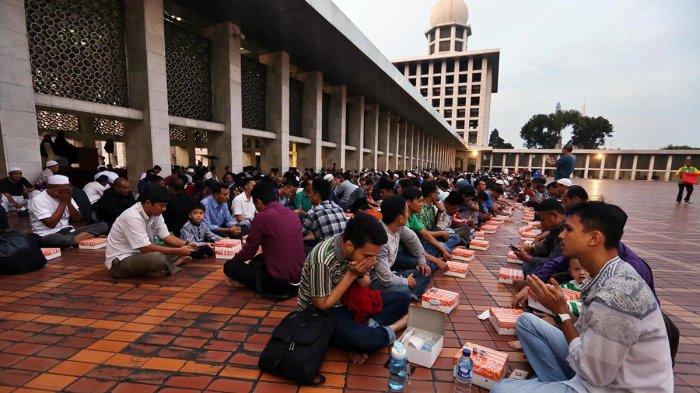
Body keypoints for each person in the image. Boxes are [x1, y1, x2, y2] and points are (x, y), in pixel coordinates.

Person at [492, 201, 672, 392]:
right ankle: (553, 382)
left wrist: (561, 312)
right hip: (595, 364)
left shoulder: (616, 295)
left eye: (569, 229)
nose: (561, 235)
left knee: (501, 389)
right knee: (527, 322)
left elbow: (595, 376)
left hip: (607, 385)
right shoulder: (612, 269)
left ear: (594, 238)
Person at [296, 213, 410, 362]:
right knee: (366, 342)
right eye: (367, 256)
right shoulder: (322, 258)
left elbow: (365, 284)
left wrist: (359, 273)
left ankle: (364, 328)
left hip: (348, 300)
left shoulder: (356, 250)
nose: (372, 260)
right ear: (349, 245)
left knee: (403, 298)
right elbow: (322, 305)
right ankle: (393, 327)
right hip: (321, 313)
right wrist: (351, 274)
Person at [224, 181, 305, 298]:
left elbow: (249, 251)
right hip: (299, 280)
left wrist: (235, 260)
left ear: (259, 202)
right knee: (259, 259)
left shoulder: (261, 217)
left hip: (279, 285)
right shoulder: (292, 214)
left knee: (230, 266)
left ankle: (247, 283)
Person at [105, 185, 196, 278]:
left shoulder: (156, 213)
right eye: (161, 205)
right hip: (122, 261)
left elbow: (165, 236)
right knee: (156, 258)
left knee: (181, 248)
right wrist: (178, 251)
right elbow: (145, 248)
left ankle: (161, 267)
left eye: (165, 206)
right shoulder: (132, 216)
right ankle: (173, 265)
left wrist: (187, 244)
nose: (164, 209)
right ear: (148, 203)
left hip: (143, 255)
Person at [371, 195, 432, 298]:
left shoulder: (399, 228)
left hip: (390, 273)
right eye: (406, 212)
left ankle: (408, 297)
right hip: (376, 280)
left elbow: (413, 240)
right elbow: (384, 278)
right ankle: (407, 297)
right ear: (399, 218)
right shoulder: (381, 238)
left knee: (425, 271)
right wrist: (405, 281)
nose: (408, 215)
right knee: (403, 290)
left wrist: (422, 262)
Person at [28, 175, 108, 247]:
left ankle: (77, 240)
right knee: (62, 240)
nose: (64, 192)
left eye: (67, 188)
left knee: (103, 225)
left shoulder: (66, 196)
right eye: (60, 190)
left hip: (68, 231)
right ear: (49, 187)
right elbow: (51, 224)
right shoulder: (38, 200)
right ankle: (89, 237)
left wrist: (69, 203)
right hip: (47, 234)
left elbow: (77, 219)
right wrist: (63, 202)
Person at [513, 198, 566, 276]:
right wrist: (532, 249)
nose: (541, 225)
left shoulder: (565, 231)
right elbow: (546, 247)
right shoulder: (555, 228)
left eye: (543, 220)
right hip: (556, 264)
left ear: (554, 215)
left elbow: (554, 262)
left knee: (529, 266)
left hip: (564, 270)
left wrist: (529, 259)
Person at [302, 178, 347, 242]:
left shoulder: (313, 213)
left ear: (316, 196)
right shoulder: (339, 209)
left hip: (326, 250)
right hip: (341, 248)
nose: (309, 195)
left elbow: (301, 233)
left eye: (310, 192)